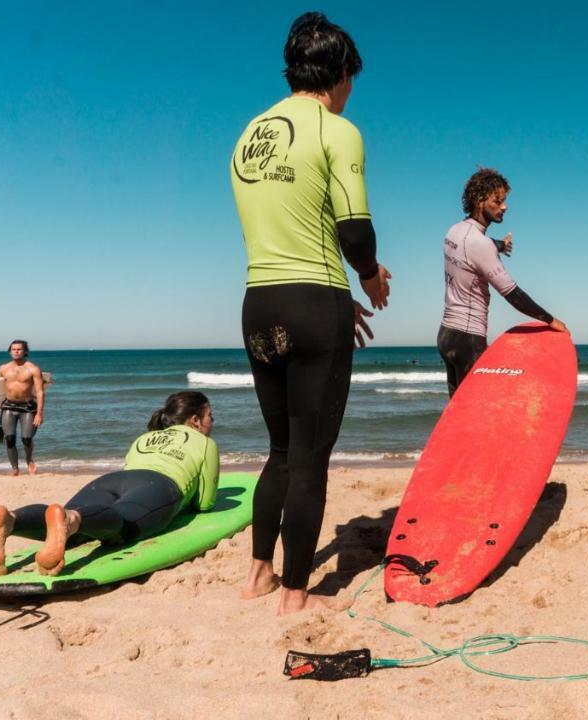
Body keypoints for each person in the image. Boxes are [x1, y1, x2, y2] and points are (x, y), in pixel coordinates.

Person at [229, 12, 388, 614]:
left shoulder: (249, 135)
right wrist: (367, 278)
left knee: (280, 451)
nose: (351, 92)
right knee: (311, 457)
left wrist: (333, 290)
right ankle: (297, 594)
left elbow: (289, 231)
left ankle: (258, 575)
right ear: (339, 72)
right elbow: (353, 229)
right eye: (351, 79)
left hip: (258, 304)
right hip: (314, 304)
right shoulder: (335, 129)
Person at [0, 392, 218, 577]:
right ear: (195, 420)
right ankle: (70, 519)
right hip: (160, 485)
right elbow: (205, 503)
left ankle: (12, 519)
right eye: (210, 416)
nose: (213, 421)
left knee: (66, 528)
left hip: (111, 481)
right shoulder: (204, 442)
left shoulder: (145, 437)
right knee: (123, 526)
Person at [437, 168, 568, 396]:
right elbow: (513, 294)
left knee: (459, 416)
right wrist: (551, 320)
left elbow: (474, 248)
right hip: (469, 339)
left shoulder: (454, 232)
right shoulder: (481, 245)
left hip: (447, 336)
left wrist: (500, 245)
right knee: (478, 413)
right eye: (498, 201)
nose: (504, 207)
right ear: (479, 201)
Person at [0, 340, 46, 476]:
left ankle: (29, 459)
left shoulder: (33, 369)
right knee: (9, 439)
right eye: (13, 349)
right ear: (9, 351)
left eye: (19, 349)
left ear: (25, 351)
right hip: (8, 407)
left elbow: (40, 392)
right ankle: (15, 468)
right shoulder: (3, 369)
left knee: (26, 439)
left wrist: (39, 413)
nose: (16, 351)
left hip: (27, 408)